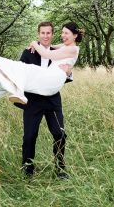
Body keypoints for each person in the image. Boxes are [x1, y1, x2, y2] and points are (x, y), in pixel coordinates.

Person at [14, 22, 72, 179]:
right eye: (43, 33)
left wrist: (68, 73)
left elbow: (64, 75)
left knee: (59, 134)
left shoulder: (59, 52)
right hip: (33, 101)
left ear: (52, 35)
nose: (45, 36)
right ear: (38, 34)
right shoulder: (28, 52)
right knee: (29, 136)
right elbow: (20, 74)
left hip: (53, 101)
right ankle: (28, 169)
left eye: (48, 33)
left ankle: (60, 168)